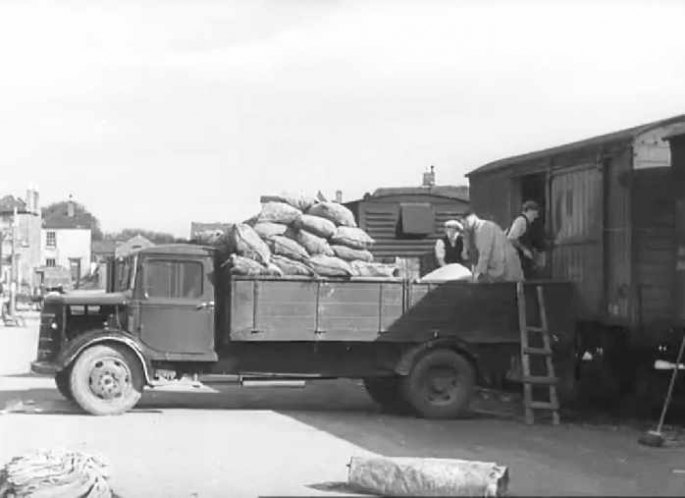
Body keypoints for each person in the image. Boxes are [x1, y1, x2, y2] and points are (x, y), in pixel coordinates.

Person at [461, 211, 523, 282]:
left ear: (472, 218)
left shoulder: (484, 227)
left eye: (465, 223)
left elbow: (485, 253)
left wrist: (478, 274)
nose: (464, 226)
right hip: (499, 267)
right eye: (463, 224)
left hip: (506, 267)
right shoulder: (473, 231)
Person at [506, 200, 541, 279]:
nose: (535, 217)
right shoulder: (521, 221)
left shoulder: (527, 223)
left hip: (523, 259)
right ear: (528, 211)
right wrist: (524, 250)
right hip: (517, 259)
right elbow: (512, 238)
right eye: (534, 214)